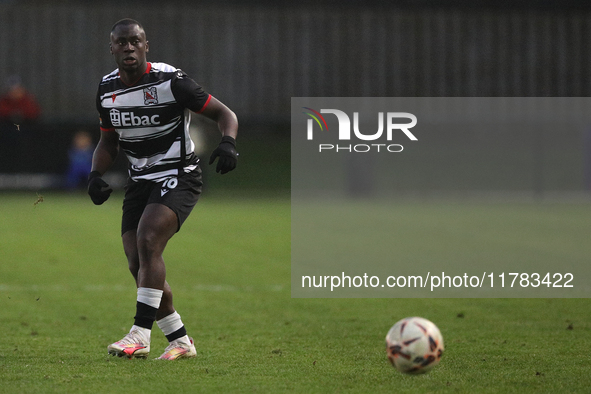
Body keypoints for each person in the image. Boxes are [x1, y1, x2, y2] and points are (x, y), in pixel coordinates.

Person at [88, 18, 238, 360]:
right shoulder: (106, 90)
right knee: (136, 262)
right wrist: (95, 174)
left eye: (135, 41)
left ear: (146, 46)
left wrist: (228, 143)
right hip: (140, 181)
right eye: (122, 42)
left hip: (179, 174)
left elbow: (224, 113)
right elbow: (107, 142)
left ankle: (139, 334)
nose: (129, 47)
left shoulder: (172, 81)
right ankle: (181, 340)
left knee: (149, 239)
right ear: (111, 48)